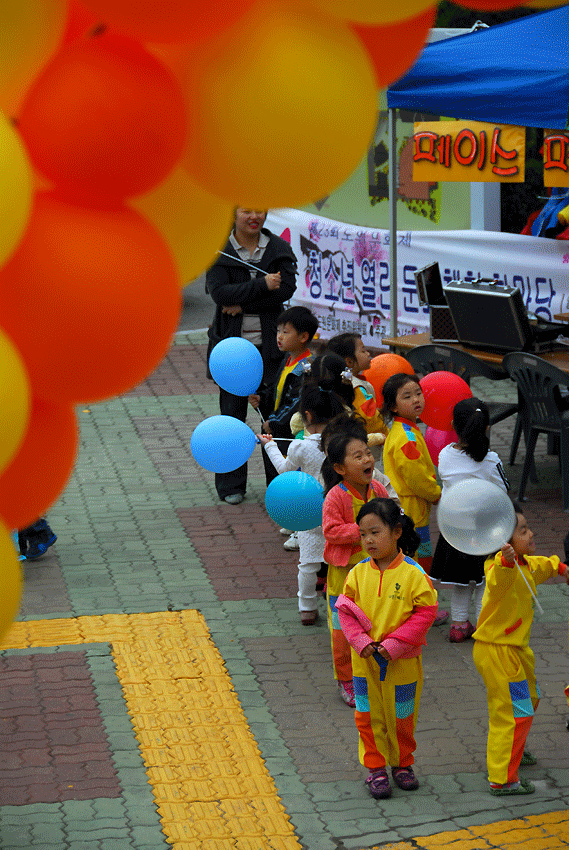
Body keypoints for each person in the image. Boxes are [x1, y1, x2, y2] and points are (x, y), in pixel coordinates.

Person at [336, 498, 438, 799]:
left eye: (375, 532)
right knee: (367, 716)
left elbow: (426, 613)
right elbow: (345, 610)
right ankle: (376, 768)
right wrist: (360, 641)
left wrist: (394, 644)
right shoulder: (357, 574)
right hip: (364, 662)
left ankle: (402, 764)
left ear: (396, 532)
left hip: (402, 662)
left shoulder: (414, 574)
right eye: (363, 533)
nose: (368, 540)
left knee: (402, 717)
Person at [473, 503, 569, 795]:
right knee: (514, 712)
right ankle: (502, 778)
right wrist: (504, 561)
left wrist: (562, 568)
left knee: (530, 699)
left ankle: (514, 749)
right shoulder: (498, 568)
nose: (530, 533)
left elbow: (545, 565)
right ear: (502, 540)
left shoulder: (526, 564)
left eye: (528, 527)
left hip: (515, 652)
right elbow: (498, 581)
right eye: (523, 530)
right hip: (499, 653)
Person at [206, 207, 297, 505]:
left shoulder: (278, 249)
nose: (253, 216)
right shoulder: (219, 249)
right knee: (232, 417)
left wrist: (243, 304)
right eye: (247, 210)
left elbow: (284, 290)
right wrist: (261, 284)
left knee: (273, 417)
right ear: (234, 213)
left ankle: (278, 484)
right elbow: (220, 293)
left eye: (260, 210)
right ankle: (231, 485)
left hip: (271, 348)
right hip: (231, 352)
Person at [259, 368, 347, 624]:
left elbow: (284, 470)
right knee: (340, 560)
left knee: (308, 562)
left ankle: (307, 607)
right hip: (340, 506)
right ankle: (343, 603)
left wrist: (270, 445)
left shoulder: (300, 446)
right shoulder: (343, 443)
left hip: (311, 509)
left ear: (306, 416)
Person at [321, 416, 390, 707]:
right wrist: (363, 532)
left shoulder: (378, 490)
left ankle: (374, 671)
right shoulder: (336, 497)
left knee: (376, 625)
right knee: (343, 634)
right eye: (357, 456)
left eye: (367, 453)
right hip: (344, 579)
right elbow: (331, 531)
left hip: (376, 575)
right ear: (339, 468)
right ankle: (346, 680)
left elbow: (391, 520)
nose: (367, 459)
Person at [431, 398, 510, 642]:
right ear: (487, 427)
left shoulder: (445, 456)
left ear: (454, 425)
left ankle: (458, 625)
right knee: (485, 580)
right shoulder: (490, 461)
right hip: (483, 531)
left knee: (462, 583)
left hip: (454, 529)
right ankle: (484, 626)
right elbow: (503, 491)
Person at [325, 333, 388, 440]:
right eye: (363, 351)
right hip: (368, 441)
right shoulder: (356, 387)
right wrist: (388, 433)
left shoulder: (338, 381)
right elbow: (370, 419)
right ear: (349, 361)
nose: (368, 354)